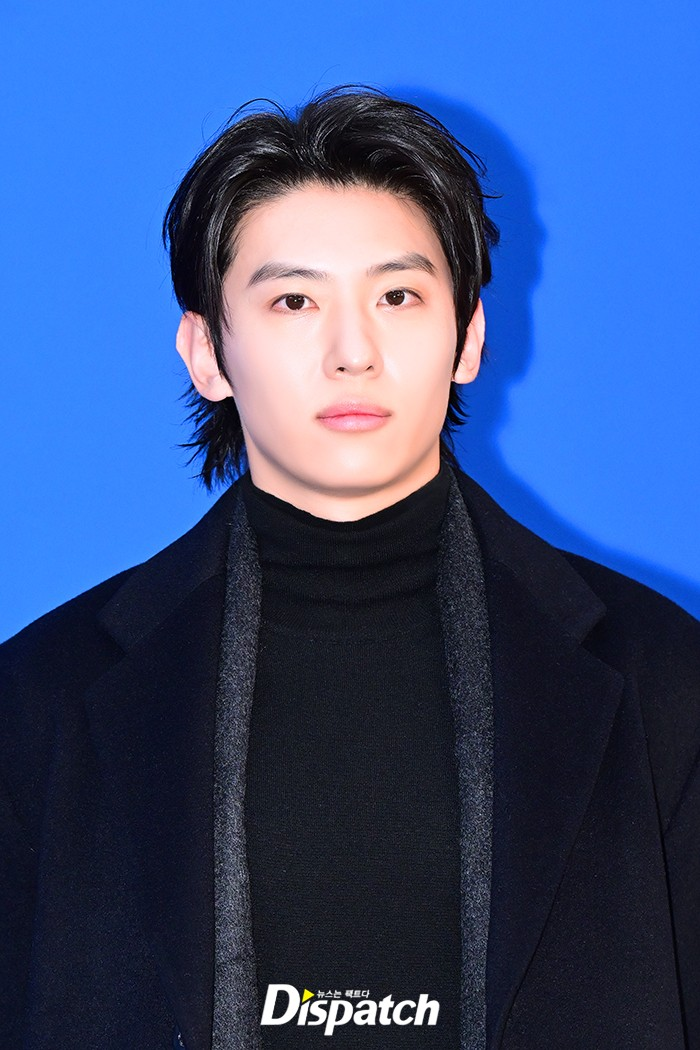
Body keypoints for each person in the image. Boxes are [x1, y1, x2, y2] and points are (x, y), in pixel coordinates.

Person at [1, 87, 698, 1050]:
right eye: (294, 301)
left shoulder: (663, 680)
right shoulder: (42, 696)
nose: (353, 352)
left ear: (468, 337)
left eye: (398, 296)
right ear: (207, 353)